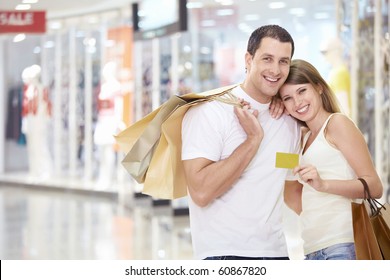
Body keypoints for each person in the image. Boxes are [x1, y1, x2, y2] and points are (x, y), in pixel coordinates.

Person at [181, 25, 301, 260]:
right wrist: (253, 140)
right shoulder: (210, 112)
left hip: (277, 254)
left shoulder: (289, 122)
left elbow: (284, 173)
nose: (275, 70)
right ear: (248, 59)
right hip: (224, 255)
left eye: (283, 61)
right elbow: (201, 191)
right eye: (267, 58)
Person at [279, 59, 383, 260]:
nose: (297, 102)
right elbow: (289, 189)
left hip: (342, 244)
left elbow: (375, 186)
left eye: (302, 91)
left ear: (318, 87)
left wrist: (324, 185)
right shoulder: (299, 139)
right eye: (287, 98)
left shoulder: (337, 123)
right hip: (311, 247)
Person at [21, 64, 53, 178]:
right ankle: (34, 171)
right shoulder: (26, 91)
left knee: (41, 146)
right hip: (30, 121)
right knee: (32, 147)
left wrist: (46, 119)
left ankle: (46, 170)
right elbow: (25, 109)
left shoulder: (41, 89)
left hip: (39, 121)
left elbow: (47, 106)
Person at [320, 37, 351, 117]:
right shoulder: (338, 71)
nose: (324, 56)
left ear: (335, 51)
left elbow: (344, 107)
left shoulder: (338, 73)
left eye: (325, 52)